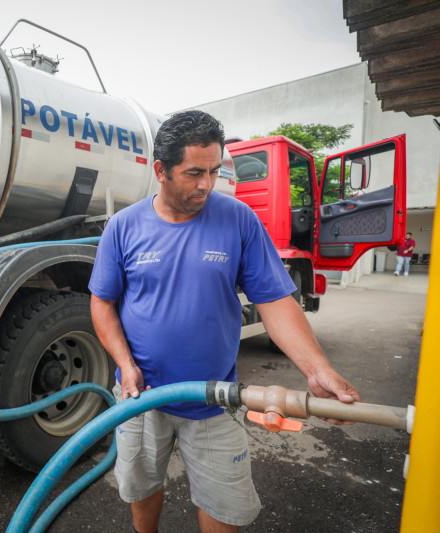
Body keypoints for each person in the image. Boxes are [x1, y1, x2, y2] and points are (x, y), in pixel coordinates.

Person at [88, 110, 360, 533]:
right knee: (140, 492)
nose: (207, 185)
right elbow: (102, 304)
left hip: (216, 398)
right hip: (141, 395)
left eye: (214, 171)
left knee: (225, 508)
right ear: (160, 170)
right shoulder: (123, 227)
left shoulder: (238, 219)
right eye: (194, 172)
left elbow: (275, 301)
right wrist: (125, 364)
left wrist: (317, 369)